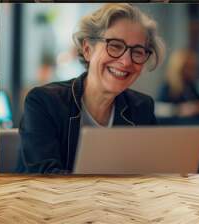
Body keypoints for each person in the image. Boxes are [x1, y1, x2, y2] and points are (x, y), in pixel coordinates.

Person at [18, 3, 165, 174]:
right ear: (88, 50)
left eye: (138, 51)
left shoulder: (142, 107)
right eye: (115, 45)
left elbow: (150, 171)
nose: (126, 62)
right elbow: (46, 179)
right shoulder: (43, 102)